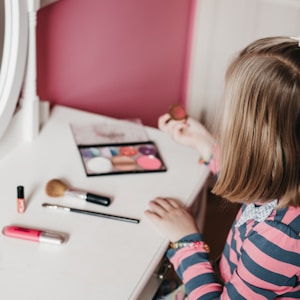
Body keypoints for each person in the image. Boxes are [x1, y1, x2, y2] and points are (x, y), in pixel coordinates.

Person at [145, 36, 300, 299]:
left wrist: (187, 241)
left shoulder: (280, 238)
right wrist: (203, 144)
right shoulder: (284, 177)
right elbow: (254, 179)